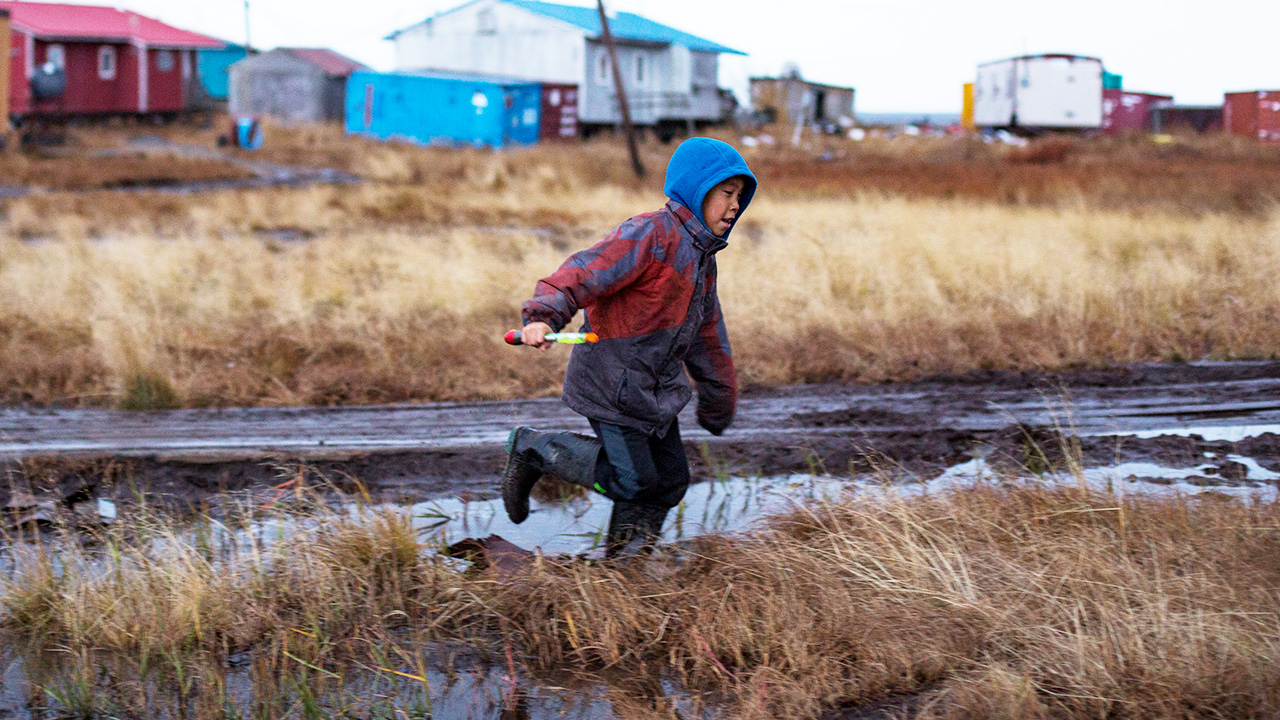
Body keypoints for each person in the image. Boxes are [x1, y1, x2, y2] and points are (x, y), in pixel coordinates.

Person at [501, 137, 756, 558]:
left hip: (655, 396)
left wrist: (718, 398)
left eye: (740, 198)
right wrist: (544, 315)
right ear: (697, 189)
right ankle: (532, 450)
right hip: (612, 386)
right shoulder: (650, 235)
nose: (734, 207)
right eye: (726, 194)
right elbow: (585, 271)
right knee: (634, 479)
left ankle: (624, 564)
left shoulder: (703, 261)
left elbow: (708, 335)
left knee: (670, 481)